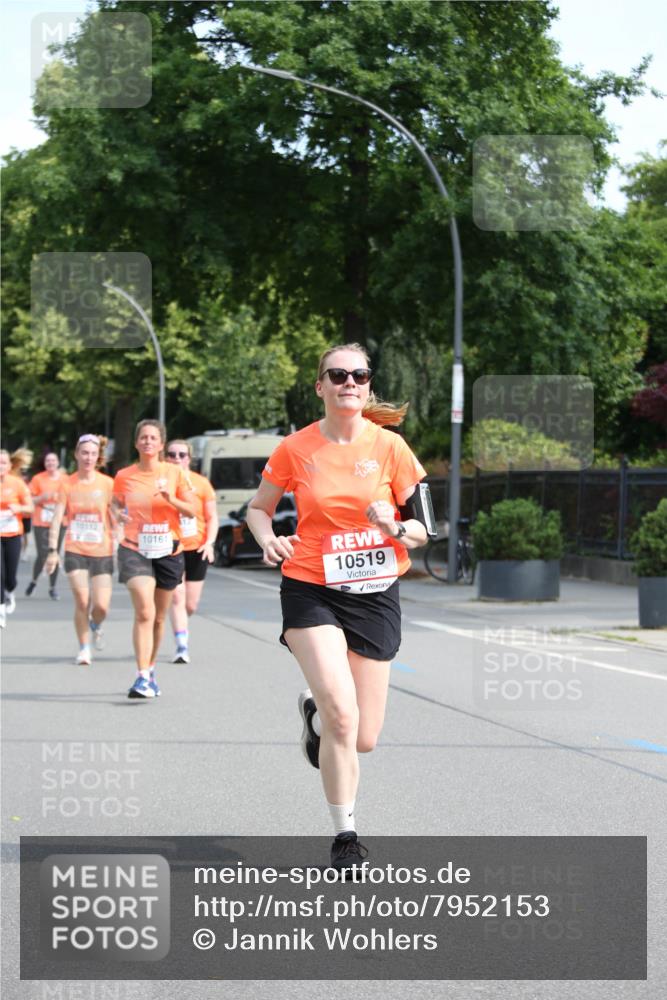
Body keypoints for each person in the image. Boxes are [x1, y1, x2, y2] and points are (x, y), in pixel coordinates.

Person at [245, 342, 434, 872]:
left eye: (359, 374)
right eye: (338, 374)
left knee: (364, 738)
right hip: (311, 585)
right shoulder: (295, 448)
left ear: (368, 385)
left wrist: (390, 526)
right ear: (320, 386)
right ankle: (345, 835)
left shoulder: (393, 448)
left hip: (376, 592)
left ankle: (316, 717)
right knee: (343, 716)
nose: (349, 382)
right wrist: (267, 538)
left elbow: (424, 528)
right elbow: (258, 509)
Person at [112, 419, 195, 699]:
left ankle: (150, 669)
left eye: (153, 438)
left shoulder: (174, 473)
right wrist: (118, 514)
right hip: (134, 547)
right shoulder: (124, 475)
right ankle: (142, 676)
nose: (148, 442)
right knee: (145, 611)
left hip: (168, 550)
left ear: (161, 444)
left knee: (159, 618)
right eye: (143, 438)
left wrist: (171, 499)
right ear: (136, 443)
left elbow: (192, 511)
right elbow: (115, 503)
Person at [45, 435, 115, 665]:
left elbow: (114, 514)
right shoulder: (67, 483)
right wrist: (52, 550)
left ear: (98, 457)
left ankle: (95, 624)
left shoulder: (107, 483)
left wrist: (121, 534)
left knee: (101, 606)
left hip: (102, 550)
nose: (88, 457)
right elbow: (57, 517)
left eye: (93, 454)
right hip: (75, 548)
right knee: (82, 601)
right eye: (84, 453)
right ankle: (84, 648)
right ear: (76, 454)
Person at [165, 439, 218, 663]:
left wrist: (210, 542)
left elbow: (212, 516)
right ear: (166, 457)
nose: (177, 458)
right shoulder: (162, 482)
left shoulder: (201, 483)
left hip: (197, 547)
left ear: (189, 458)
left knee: (190, 604)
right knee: (177, 596)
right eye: (172, 454)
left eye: (181, 455)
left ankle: (181, 626)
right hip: (171, 546)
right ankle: (181, 646)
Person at [26, 451, 66, 600]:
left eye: (53, 461)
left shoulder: (65, 479)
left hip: (59, 521)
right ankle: (34, 581)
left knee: (53, 553)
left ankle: (52, 587)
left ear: (57, 463)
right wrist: (41, 498)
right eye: (48, 461)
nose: (50, 463)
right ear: (45, 464)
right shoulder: (38, 479)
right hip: (41, 521)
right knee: (43, 555)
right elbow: (29, 500)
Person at [0, 449, 34, 627]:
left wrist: (18, 509)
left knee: (10, 576)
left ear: (10, 465)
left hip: (13, 533)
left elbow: (31, 508)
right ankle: (0, 610)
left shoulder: (18, 483)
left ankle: (10, 591)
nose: (0, 466)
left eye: (3, 463)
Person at [10, 448, 34, 562]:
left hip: (23, 515)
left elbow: (29, 503)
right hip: (9, 517)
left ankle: (24, 551)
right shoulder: (9, 476)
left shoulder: (21, 480)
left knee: (24, 535)